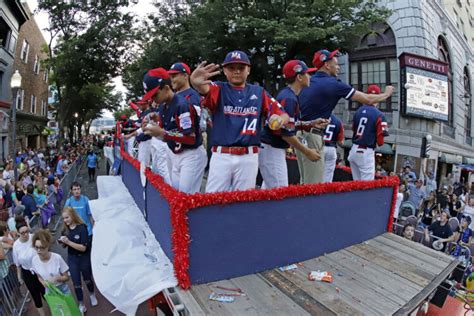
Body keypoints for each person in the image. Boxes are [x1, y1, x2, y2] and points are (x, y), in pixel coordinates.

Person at [190, 50, 290, 192]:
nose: (236, 71)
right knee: (213, 201)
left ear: (248, 70)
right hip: (221, 155)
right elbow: (203, 88)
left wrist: (279, 119)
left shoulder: (258, 92)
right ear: (224, 70)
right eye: (231, 68)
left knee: (243, 203)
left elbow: (283, 114)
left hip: (248, 156)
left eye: (241, 68)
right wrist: (196, 83)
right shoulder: (219, 88)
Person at [298, 49, 394, 184]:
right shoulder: (334, 84)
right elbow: (367, 99)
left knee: (304, 181)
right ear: (327, 65)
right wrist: (386, 95)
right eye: (336, 64)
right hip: (314, 136)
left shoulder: (307, 82)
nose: (338, 67)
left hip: (299, 135)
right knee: (313, 185)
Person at [142, 68, 206, 193]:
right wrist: (155, 118)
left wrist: (162, 133)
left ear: (166, 89)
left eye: (155, 95)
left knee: (185, 198)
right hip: (174, 153)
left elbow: (190, 137)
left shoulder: (182, 105)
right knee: (176, 195)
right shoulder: (164, 106)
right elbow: (168, 125)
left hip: (190, 155)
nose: (152, 99)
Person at [259, 60, 321, 188]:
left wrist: (310, 123)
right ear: (299, 77)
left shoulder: (288, 95)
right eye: (307, 74)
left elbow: (290, 125)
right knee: (279, 191)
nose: (309, 76)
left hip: (271, 147)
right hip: (272, 148)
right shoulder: (289, 98)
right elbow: (285, 133)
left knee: (270, 191)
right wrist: (307, 151)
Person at [59, 207, 98, 313]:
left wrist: (68, 243)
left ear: (72, 216)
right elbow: (64, 246)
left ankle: (91, 293)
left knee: (87, 278)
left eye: (67, 217)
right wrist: (63, 242)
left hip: (83, 257)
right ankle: (81, 302)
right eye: (63, 218)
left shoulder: (82, 228)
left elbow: (83, 248)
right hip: (72, 259)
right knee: (76, 282)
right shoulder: (64, 230)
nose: (65, 220)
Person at [348, 84, 389, 181]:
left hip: (354, 150)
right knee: (367, 187)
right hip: (366, 152)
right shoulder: (380, 115)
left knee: (356, 184)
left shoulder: (358, 111)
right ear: (378, 97)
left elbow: (353, 129)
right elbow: (380, 141)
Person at [13, 221, 46, 316]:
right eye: (22, 233)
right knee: (36, 297)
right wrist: (19, 277)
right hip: (27, 273)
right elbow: (17, 264)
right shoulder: (16, 245)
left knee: (47, 294)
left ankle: (55, 311)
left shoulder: (34, 237)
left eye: (27, 231)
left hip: (40, 270)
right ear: (18, 233)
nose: (25, 234)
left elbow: (44, 250)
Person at [31, 229, 71, 295]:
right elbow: (39, 276)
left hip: (62, 289)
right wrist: (43, 283)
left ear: (48, 246)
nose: (38, 250)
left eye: (42, 247)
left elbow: (66, 277)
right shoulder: (34, 260)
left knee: (70, 305)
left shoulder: (57, 258)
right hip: (49, 291)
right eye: (36, 247)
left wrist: (57, 278)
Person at [323, 114, 344, 183]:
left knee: (316, 173)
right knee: (328, 175)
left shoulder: (318, 116)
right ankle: (326, 191)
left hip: (319, 147)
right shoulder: (338, 121)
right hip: (331, 148)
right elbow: (340, 142)